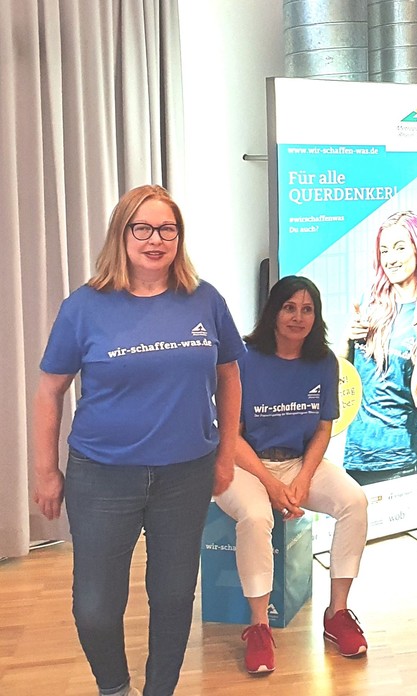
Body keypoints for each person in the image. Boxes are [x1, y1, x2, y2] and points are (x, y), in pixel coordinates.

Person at [32, 184, 244, 696]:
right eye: (143, 229)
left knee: (172, 598)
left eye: (167, 229)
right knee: (96, 607)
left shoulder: (204, 299)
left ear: (179, 237)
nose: (156, 240)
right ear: (121, 234)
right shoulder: (85, 306)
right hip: (103, 476)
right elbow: (49, 390)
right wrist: (45, 470)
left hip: (185, 473)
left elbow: (231, 377)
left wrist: (225, 456)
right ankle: (114, 688)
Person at [213, 275, 369, 674]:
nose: (298, 317)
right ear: (273, 311)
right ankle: (259, 627)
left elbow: (322, 428)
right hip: (244, 464)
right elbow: (230, 435)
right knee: (257, 515)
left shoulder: (324, 361)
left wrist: (301, 480)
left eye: (307, 309)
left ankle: (337, 615)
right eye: (289, 307)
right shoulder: (243, 359)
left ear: (316, 317)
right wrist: (273, 485)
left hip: (298, 462)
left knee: (355, 502)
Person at [343, 211, 417, 484]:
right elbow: (341, 378)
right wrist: (347, 340)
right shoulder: (368, 303)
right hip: (358, 450)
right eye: (384, 250)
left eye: (400, 247)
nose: (391, 258)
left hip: (402, 454)